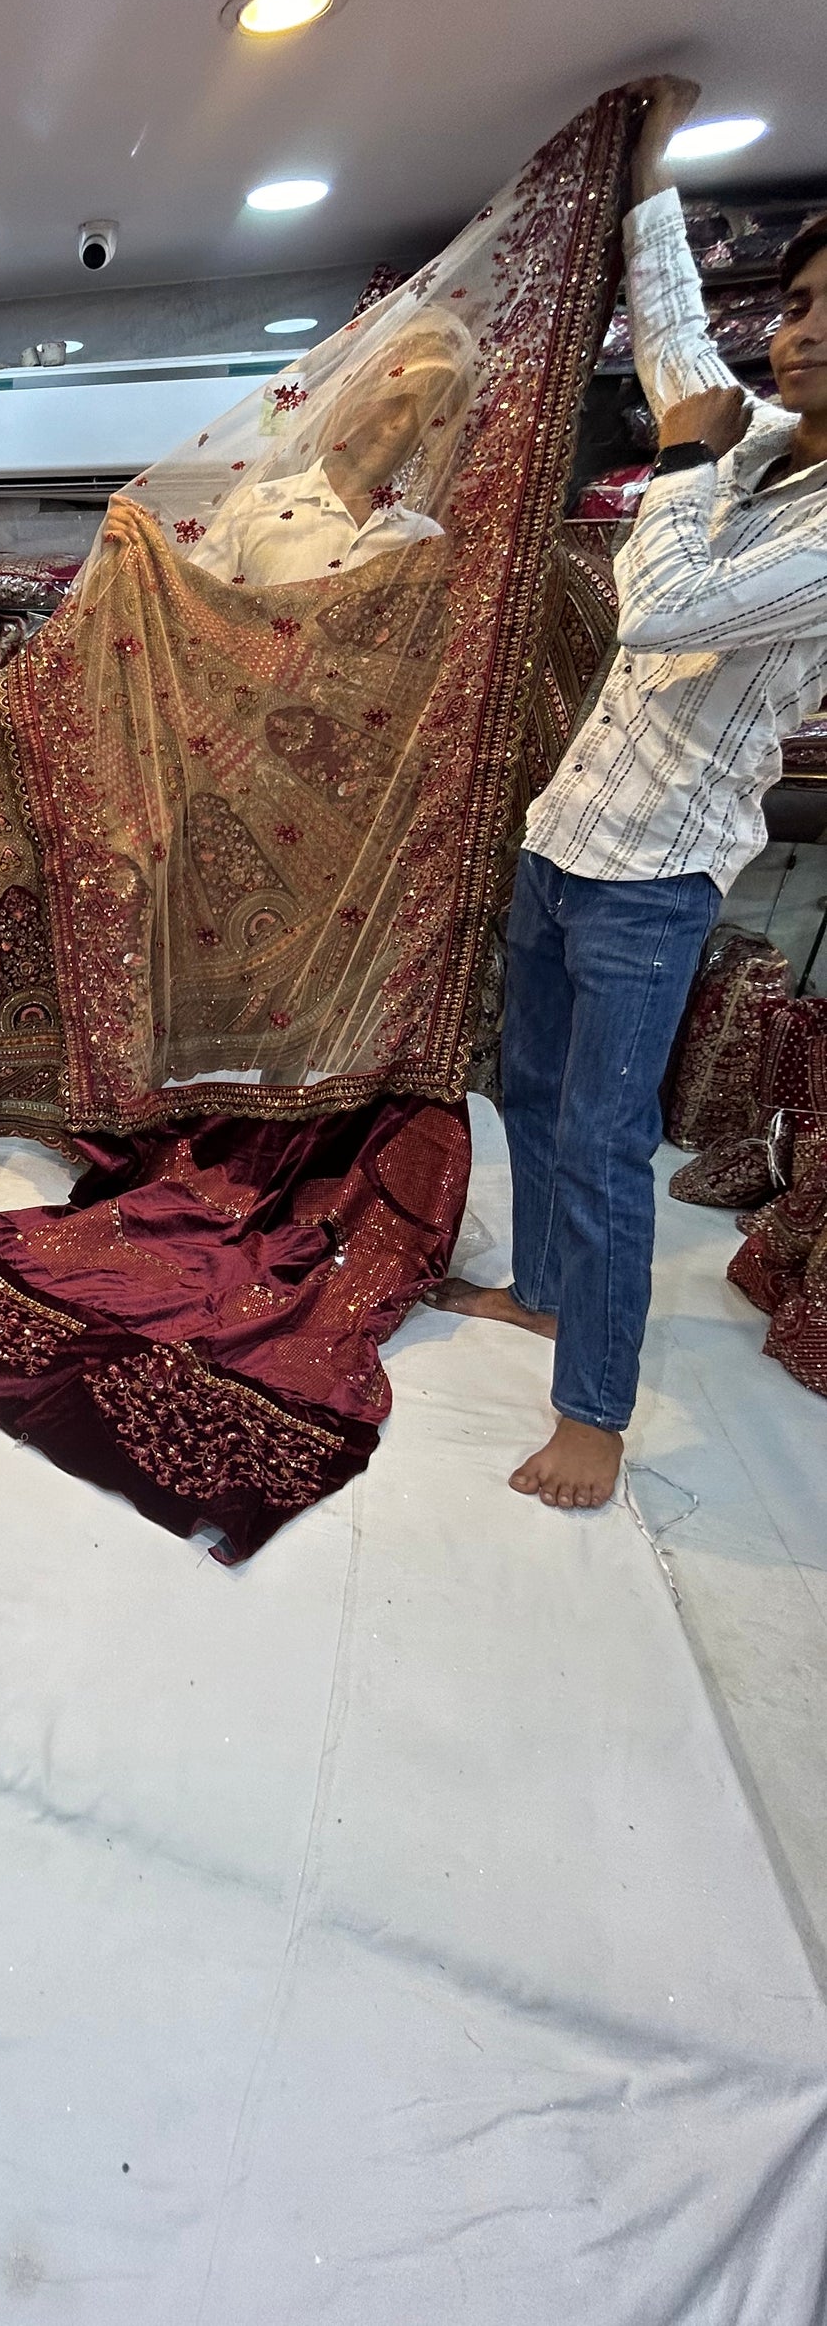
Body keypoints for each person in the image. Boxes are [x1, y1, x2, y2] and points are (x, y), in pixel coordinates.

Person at [434, 75, 827, 1510]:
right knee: (532, 1090)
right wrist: (647, 172)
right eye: (798, 304)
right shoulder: (756, 449)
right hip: (564, 838)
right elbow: (675, 346)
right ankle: (545, 1294)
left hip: (653, 879)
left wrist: (680, 454)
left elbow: (658, 610)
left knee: (605, 1140)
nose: (804, 329)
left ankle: (592, 1409)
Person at [188, 311, 473, 585]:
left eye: (426, 413)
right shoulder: (254, 508)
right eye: (395, 399)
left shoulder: (423, 539)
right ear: (352, 399)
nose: (403, 424)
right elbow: (196, 604)